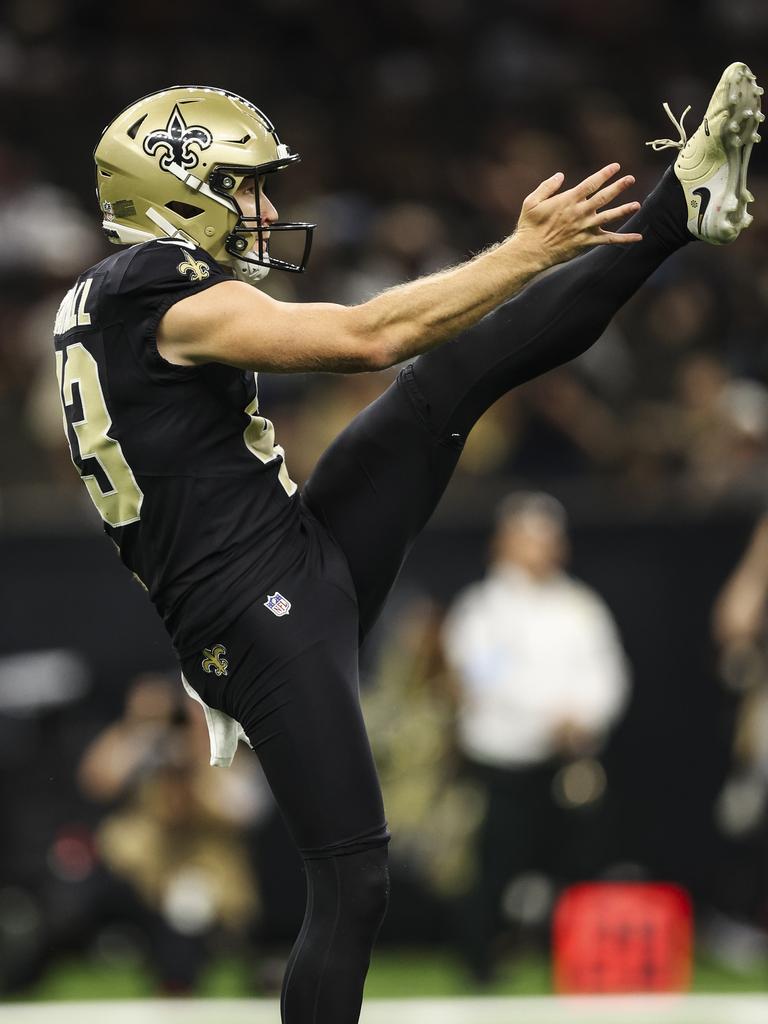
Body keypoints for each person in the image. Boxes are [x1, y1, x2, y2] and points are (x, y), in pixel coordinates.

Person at [53, 65, 762, 1023]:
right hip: (254, 606)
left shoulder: (105, 296)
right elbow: (364, 335)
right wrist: (521, 251)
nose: (264, 208)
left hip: (285, 551)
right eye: (245, 185)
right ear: (181, 190)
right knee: (354, 882)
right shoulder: (152, 283)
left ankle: (683, 206)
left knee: (453, 379)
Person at [442, 492, 630, 982]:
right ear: (506, 542)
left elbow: (608, 672)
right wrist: (551, 717)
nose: (545, 548)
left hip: (567, 761)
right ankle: (479, 960)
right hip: (505, 761)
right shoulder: (481, 609)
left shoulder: (579, 606)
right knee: (496, 865)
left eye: (551, 538)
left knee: (574, 864)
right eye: (532, 538)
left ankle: (572, 957)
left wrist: (585, 717)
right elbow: (485, 679)